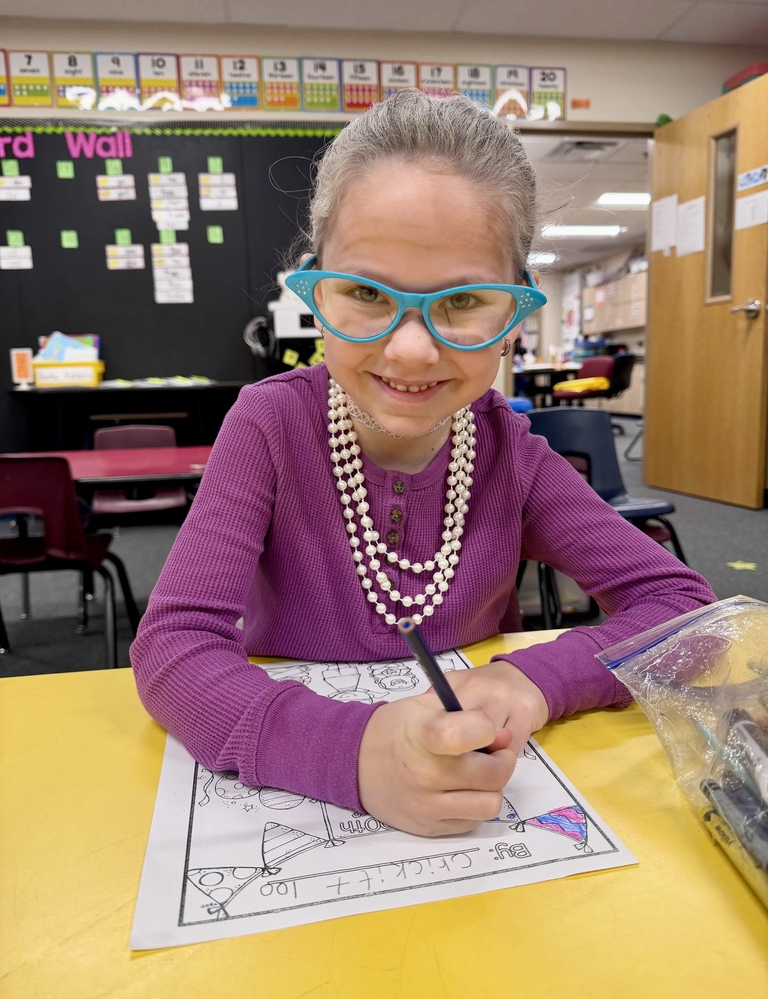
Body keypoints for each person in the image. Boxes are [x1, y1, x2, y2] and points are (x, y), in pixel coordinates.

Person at [130, 90, 716, 837]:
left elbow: (685, 610)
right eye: (366, 292)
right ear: (317, 290)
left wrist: (531, 682)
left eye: (465, 299)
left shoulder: (509, 454)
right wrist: (350, 751)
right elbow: (174, 646)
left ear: (512, 318)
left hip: (479, 796)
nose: (411, 350)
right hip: (296, 810)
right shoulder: (270, 425)